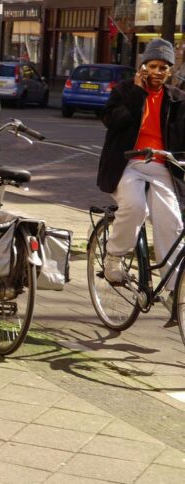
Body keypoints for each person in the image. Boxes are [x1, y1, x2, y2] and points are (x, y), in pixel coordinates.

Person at [99, 38, 185, 315]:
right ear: (143, 66)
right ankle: (114, 257)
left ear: (170, 71)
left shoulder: (177, 99)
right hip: (128, 163)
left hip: (162, 166)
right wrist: (137, 95)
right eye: (153, 65)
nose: (158, 72)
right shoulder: (124, 90)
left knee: (171, 221)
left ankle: (173, 289)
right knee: (135, 206)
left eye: (164, 67)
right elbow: (112, 122)